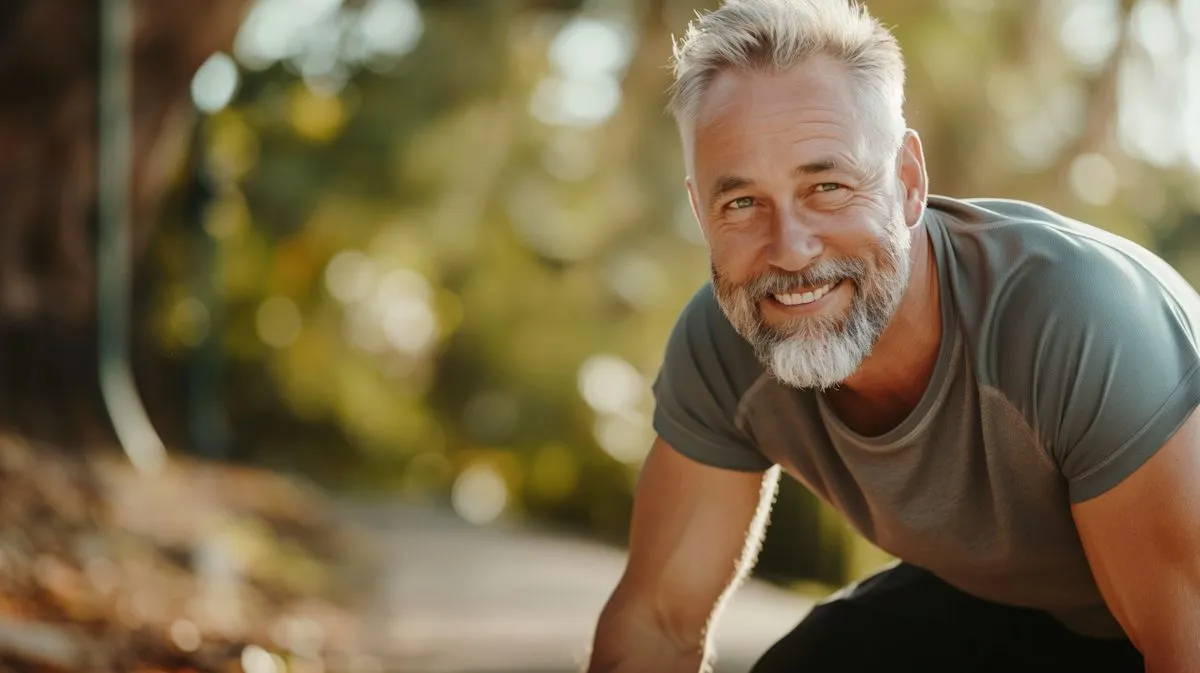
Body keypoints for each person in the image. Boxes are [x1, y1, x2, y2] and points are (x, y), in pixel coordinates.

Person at [584, 1, 1200, 672]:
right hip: (1021, 611)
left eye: (827, 186)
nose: (789, 249)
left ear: (908, 181)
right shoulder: (726, 341)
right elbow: (657, 623)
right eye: (741, 203)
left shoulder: (1078, 320)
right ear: (701, 212)